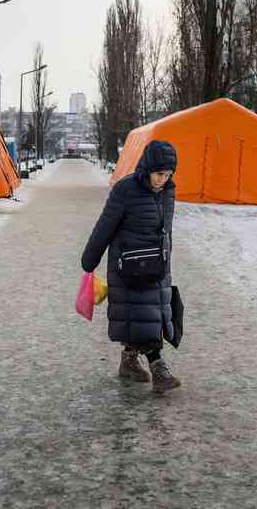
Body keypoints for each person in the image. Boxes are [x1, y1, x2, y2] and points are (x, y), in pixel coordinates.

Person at [81, 140, 181, 393]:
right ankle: (158, 367)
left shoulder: (168, 191)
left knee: (147, 316)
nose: (162, 180)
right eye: (159, 174)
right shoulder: (125, 190)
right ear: (147, 168)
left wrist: (167, 258)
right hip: (128, 267)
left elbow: (166, 230)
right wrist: (90, 260)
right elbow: (105, 226)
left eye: (168, 175)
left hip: (157, 266)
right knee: (143, 316)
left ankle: (128, 362)